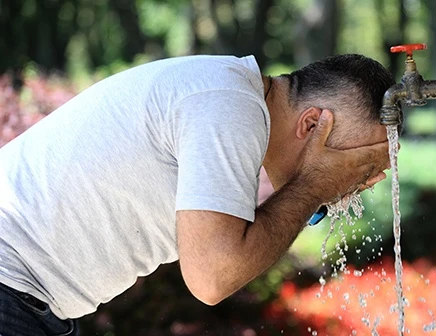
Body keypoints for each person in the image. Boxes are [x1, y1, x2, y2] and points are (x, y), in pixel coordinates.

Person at [0, 53, 395, 335]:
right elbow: (212, 278)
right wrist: (316, 184)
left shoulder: (227, 93)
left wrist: (318, 186)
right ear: (311, 125)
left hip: (26, 296)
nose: (353, 182)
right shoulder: (230, 106)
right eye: (354, 162)